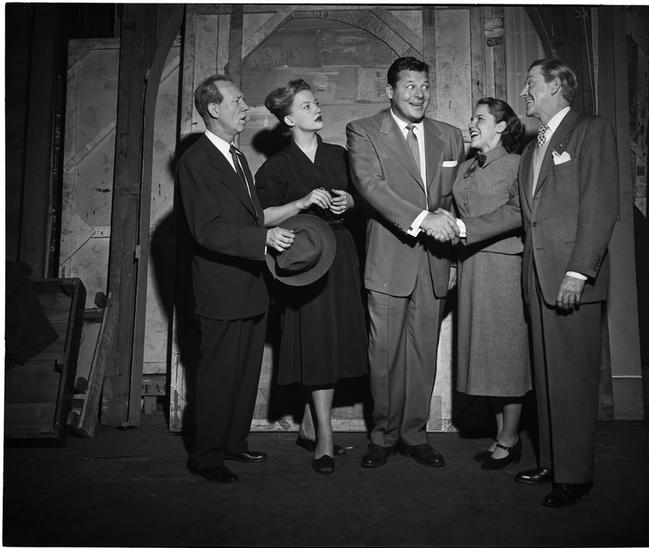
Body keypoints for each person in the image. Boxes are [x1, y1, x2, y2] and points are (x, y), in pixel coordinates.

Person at [463, 59, 619, 506]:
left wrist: (579, 271)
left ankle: (575, 476)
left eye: (531, 83)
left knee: (572, 381)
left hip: (570, 278)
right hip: (535, 279)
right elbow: (518, 212)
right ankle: (552, 462)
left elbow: (601, 205)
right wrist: (462, 228)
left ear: (556, 85)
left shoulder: (591, 130)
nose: (524, 92)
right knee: (548, 381)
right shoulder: (533, 148)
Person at [346, 56, 465, 469]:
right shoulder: (363, 131)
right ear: (390, 91)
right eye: (410, 85)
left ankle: (415, 434)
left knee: (423, 355)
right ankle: (384, 435)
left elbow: (454, 201)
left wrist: (454, 261)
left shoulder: (450, 136)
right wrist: (422, 219)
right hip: (388, 261)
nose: (419, 94)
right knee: (384, 356)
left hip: (435, 263)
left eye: (425, 86)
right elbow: (370, 186)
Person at [176, 75, 295, 484]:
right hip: (220, 287)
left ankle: (233, 443)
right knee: (218, 376)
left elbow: (250, 216)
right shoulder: (196, 162)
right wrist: (263, 239)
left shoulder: (238, 156)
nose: (245, 107)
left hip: (250, 283)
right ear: (213, 109)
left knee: (244, 372)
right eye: (237, 101)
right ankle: (205, 457)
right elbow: (206, 230)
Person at [255, 79, 368, 475]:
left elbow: (366, 199)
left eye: (316, 103)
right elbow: (261, 217)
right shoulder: (276, 167)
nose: (317, 109)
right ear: (289, 119)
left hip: (343, 256)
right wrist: (302, 202)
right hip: (305, 262)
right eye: (306, 106)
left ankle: (308, 425)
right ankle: (325, 436)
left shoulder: (339, 155)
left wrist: (351, 200)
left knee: (335, 342)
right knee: (317, 344)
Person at [453, 98, 531, 470]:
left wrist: (466, 229)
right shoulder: (466, 167)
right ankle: (502, 434)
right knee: (486, 356)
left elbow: (518, 212)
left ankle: (510, 436)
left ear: (500, 127)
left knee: (506, 356)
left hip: (502, 266)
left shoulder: (517, 164)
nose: (472, 123)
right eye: (472, 117)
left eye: (480, 118)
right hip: (471, 267)